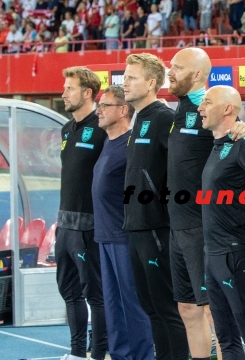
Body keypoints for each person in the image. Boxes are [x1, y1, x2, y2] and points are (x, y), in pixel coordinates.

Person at [122, 53, 189, 360]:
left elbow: (182, 170)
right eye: (125, 76)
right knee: (150, 308)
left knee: (167, 309)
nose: (125, 82)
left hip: (157, 229)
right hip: (136, 227)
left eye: (131, 77)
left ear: (151, 83)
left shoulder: (163, 118)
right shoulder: (140, 119)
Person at [199, 85, 245, 360]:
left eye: (207, 102)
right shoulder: (217, 146)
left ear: (227, 109)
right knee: (225, 339)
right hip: (212, 254)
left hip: (236, 254)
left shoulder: (243, 145)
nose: (200, 107)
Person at [92, 85, 154, 360]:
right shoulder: (108, 141)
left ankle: (142, 356)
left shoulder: (131, 145)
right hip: (104, 236)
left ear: (123, 110)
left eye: (105, 106)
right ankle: (120, 356)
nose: (99, 111)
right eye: (99, 105)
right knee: (113, 305)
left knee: (133, 304)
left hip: (124, 237)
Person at [166, 47, 220, 360]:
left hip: (203, 225)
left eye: (177, 66)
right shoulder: (181, 107)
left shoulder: (211, 106)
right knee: (187, 307)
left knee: (215, 309)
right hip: (178, 225)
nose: (169, 72)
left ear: (197, 74)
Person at [57, 66, 108, 360]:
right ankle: (77, 353)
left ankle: (99, 355)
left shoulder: (102, 126)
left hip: (89, 225)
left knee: (95, 294)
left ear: (87, 92)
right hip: (64, 224)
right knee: (69, 291)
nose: (63, 93)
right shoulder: (67, 128)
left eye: (70, 88)